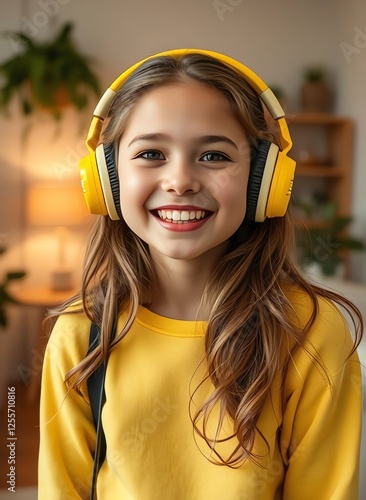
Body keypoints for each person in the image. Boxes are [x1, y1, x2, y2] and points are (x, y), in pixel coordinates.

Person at [38, 49, 363, 500]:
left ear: (262, 181)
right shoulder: (81, 334)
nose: (181, 180)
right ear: (107, 180)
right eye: (151, 152)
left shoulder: (312, 332)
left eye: (213, 155)